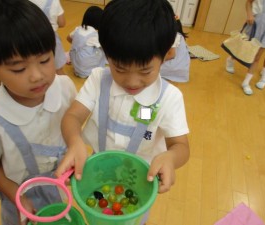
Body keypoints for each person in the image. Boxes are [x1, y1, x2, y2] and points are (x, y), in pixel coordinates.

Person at [57, 0, 189, 200]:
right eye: (119, 69)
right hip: (98, 171)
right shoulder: (98, 80)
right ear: (106, 55)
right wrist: (75, 142)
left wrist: (170, 158)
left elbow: (181, 146)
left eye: (145, 70)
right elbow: (73, 116)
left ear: (165, 57)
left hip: (141, 180)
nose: (132, 81)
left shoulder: (170, 98)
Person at [0, 0, 77, 225]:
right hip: (19, 202)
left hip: (60, 192)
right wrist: (15, 193)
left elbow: (74, 125)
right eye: (19, 68)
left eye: (45, 60)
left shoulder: (65, 87)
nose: (37, 75)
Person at [225, 0, 265, 95]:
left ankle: (246, 83)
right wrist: (249, 15)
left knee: (256, 57)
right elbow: (248, 2)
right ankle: (231, 59)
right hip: (256, 22)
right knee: (244, 46)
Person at [67, 6, 107, 78]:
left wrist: (79, 44)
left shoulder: (78, 29)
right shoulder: (94, 35)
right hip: (88, 71)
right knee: (103, 50)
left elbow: (68, 38)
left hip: (76, 67)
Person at [29, 0, 67, 75]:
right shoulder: (54, 1)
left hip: (30, 39)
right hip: (51, 38)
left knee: (36, 68)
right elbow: (62, 23)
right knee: (58, 70)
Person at [160, 16, 190, 82]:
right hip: (181, 66)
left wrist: (159, 61)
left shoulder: (174, 36)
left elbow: (171, 55)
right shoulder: (179, 35)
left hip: (174, 65)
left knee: (151, 68)